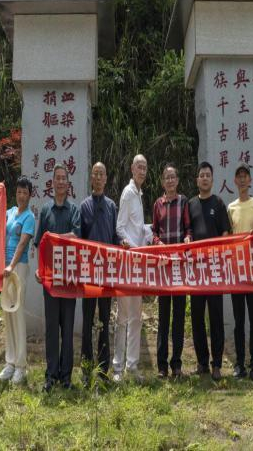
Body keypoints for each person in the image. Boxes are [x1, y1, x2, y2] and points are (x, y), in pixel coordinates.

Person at [34, 164, 81, 392]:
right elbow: (39, 244)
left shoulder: (74, 210)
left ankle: (66, 377)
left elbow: (76, 237)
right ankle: (51, 376)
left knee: (68, 329)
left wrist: (54, 237)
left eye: (64, 178)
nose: (61, 182)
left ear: (68, 183)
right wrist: (39, 269)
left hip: (69, 279)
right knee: (52, 329)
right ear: (52, 182)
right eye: (58, 178)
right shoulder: (45, 210)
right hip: (51, 280)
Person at [188, 161, 231, 381]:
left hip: (214, 270)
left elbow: (226, 232)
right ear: (197, 180)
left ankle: (217, 364)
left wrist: (217, 250)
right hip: (196, 271)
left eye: (208, 175)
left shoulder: (219, 203)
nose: (204, 178)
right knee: (197, 318)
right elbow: (187, 230)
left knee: (215, 317)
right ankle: (202, 362)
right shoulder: (191, 204)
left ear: (212, 180)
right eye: (201, 175)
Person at [113, 154, 152, 383]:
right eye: (139, 167)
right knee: (123, 316)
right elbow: (120, 227)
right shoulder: (128, 193)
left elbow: (137, 227)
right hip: (127, 262)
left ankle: (132, 365)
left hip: (139, 264)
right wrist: (134, 248)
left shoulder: (139, 194)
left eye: (145, 167)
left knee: (136, 316)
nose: (142, 171)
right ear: (132, 168)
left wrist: (150, 233)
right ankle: (118, 367)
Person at [80, 162, 119, 385]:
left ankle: (103, 371)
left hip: (107, 273)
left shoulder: (111, 206)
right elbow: (79, 239)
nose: (98, 177)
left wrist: (123, 244)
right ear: (91, 178)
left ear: (105, 178)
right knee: (87, 321)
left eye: (101, 174)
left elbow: (114, 236)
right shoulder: (84, 206)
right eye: (95, 173)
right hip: (88, 272)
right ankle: (86, 369)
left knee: (105, 319)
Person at [152, 164, 191, 378]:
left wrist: (188, 239)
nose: (169, 180)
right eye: (166, 177)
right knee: (163, 317)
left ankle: (176, 363)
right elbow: (154, 232)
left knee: (178, 317)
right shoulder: (158, 204)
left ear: (177, 180)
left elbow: (188, 228)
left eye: (172, 177)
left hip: (179, 267)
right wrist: (157, 242)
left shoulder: (183, 202)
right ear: (162, 182)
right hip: (163, 267)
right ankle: (161, 365)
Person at [0, 176, 35, 385]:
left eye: (25, 192)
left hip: (18, 268)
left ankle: (21, 366)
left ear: (30, 195)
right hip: (5, 269)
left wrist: (11, 266)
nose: (21, 195)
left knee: (17, 314)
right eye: (19, 191)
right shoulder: (10, 213)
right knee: (7, 313)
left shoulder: (29, 217)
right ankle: (10, 363)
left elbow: (22, 244)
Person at [227, 162, 253, 381]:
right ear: (235, 181)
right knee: (239, 321)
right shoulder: (230, 207)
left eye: (245, 176)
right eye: (239, 176)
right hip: (236, 272)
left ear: (250, 180)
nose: (242, 180)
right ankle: (239, 364)